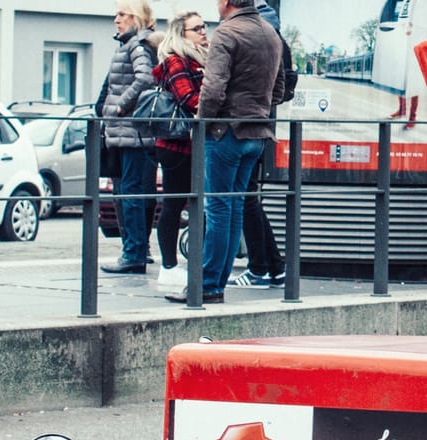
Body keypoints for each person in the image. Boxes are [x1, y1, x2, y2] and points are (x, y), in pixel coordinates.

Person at [175, 0, 289, 305]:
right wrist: (257, 109)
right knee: (234, 206)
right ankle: (214, 284)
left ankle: (208, 285)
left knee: (218, 209)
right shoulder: (270, 33)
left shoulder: (227, 33)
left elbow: (212, 90)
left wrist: (202, 123)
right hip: (257, 132)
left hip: (225, 133)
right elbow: (279, 89)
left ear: (226, 2)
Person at [230, 0, 293, 289]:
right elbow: (283, 86)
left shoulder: (249, 31)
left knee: (243, 199)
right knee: (248, 197)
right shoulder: (275, 34)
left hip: (240, 126)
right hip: (261, 123)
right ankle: (274, 268)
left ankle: (259, 269)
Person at [100, 1, 160, 274]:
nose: (117, 19)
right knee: (130, 191)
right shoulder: (131, 44)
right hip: (128, 131)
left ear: (137, 18)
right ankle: (135, 251)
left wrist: (120, 106)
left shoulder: (136, 45)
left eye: (122, 14)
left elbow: (145, 78)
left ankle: (134, 253)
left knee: (131, 192)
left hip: (132, 131)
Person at [152, 12, 207, 293]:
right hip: (176, 144)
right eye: (196, 28)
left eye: (204, 26)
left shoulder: (199, 58)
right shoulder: (176, 60)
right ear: (180, 34)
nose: (203, 32)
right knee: (174, 205)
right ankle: (168, 267)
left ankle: (189, 265)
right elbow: (188, 98)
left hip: (192, 143)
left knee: (195, 205)